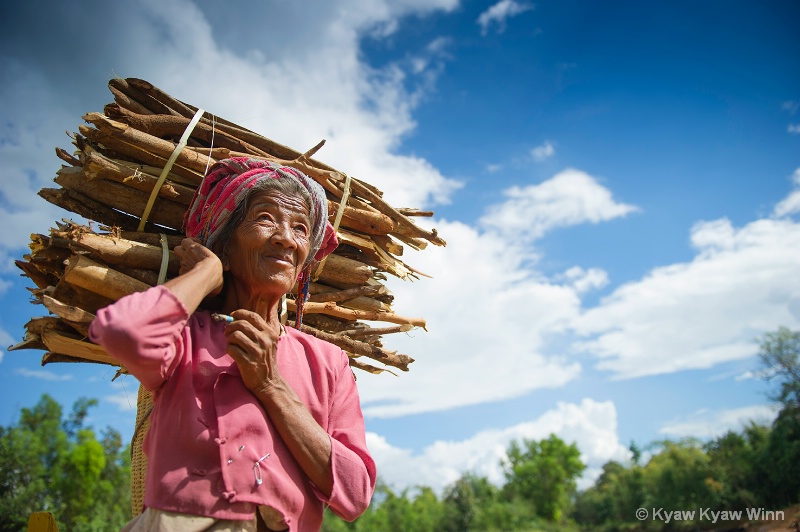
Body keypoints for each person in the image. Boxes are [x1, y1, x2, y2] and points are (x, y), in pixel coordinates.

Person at [89, 157, 376, 531]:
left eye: (301, 228)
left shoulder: (327, 362)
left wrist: (270, 385)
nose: (286, 238)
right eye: (266, 219)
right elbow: (123, 332)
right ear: (224, 243)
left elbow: (354, 494)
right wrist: (207, 272)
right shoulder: (186, 336)